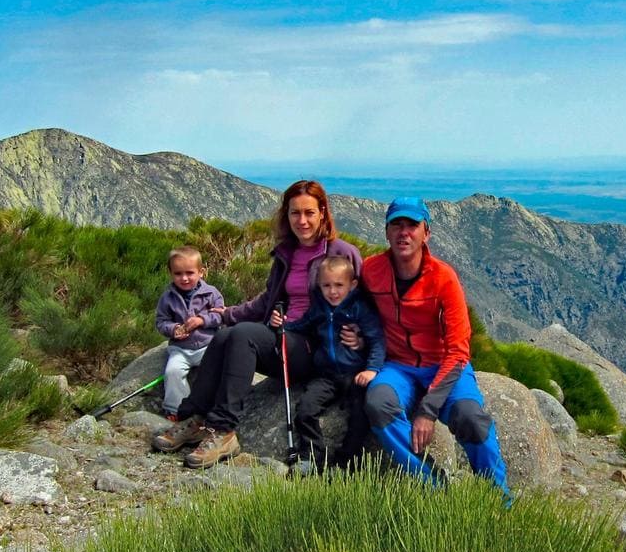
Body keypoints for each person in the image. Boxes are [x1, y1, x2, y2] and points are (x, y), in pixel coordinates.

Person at [152, 180, 362, 468]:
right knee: (226, 335)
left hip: (318, 350)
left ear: (323, 213)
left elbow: (363, 302)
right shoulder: (286, 253)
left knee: (244, 336)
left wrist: (360, 339)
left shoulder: (342, 253)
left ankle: (224, 431)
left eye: (309, 213)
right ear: (286, 216)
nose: (302, 220)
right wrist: (226, 314)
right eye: (295, 213)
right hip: (284, 340)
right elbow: (266, 301)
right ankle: (198, 418)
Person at [361, 196, 510, 497]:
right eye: (396, 225)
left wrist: (428, 411)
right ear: (386, 232)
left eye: (412, 225)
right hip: (397, 365)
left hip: (442, 364)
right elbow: (346, 304)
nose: (404, 232)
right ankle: (434, 486)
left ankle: (499, 501)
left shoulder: (444, 279)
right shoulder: (370, 271)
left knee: (471, 418)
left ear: (425, 233)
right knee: (378, 404)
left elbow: (458, 350)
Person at [284, 255, 385, 470]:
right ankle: (312, 456)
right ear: (319, 286)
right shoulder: (319, 308)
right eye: (326, 285)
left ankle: (345, 462)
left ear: (352, 284)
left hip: (354, 374)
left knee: (360, 414)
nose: (333, 291)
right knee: (305, 409)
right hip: (326, 375)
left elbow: (377, 339)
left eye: (339, 285)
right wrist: (283, 326)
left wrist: (372, 369)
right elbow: (302, 324)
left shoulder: (359, 309)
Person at [154, 246, 225, 419]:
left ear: (201, 272)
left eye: (189, 273)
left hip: (207, 346)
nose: (184, 278)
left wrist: (202, 320)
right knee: (172, 372)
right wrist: (173, 329)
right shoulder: (167, 297)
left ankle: (215, 407)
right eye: (178, 274)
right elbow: (161, 322)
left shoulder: (211, 293)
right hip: (180, 349)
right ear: (171, 273)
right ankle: (177, 409)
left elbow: (221, 316)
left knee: (215, 372)